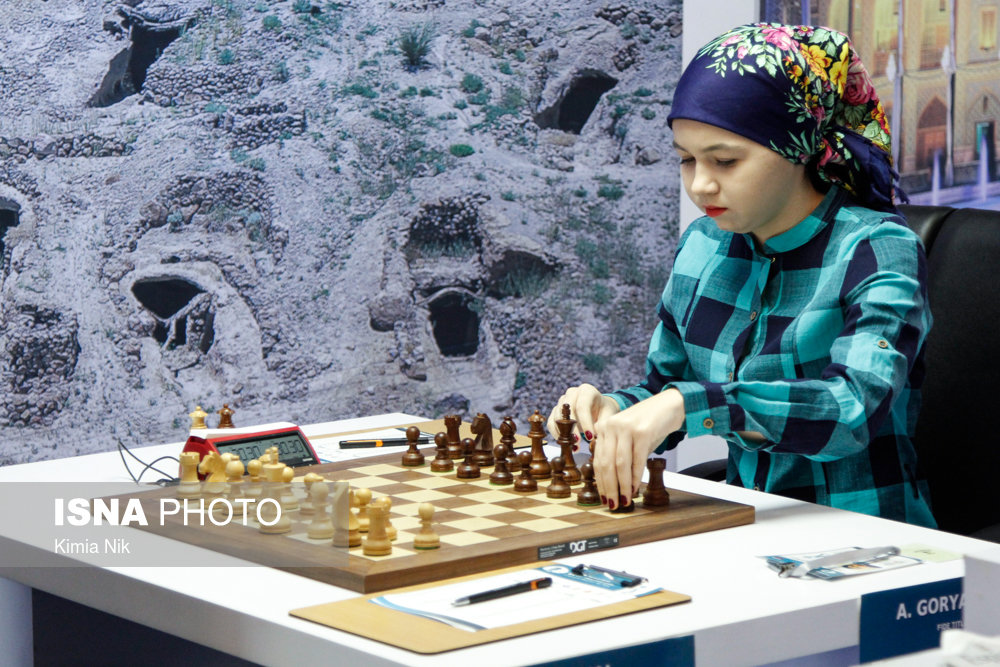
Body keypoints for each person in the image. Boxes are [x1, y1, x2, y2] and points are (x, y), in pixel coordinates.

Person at [549, 23, 936, 527]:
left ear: (798, 147)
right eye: (686, 160)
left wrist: (687, 404)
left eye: (725, 161)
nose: (700, 185)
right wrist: (613, 410)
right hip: (747, 527)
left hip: (865, 539)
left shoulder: (877, 248)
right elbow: (667, 388)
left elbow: (851, 411)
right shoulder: (703, 245)